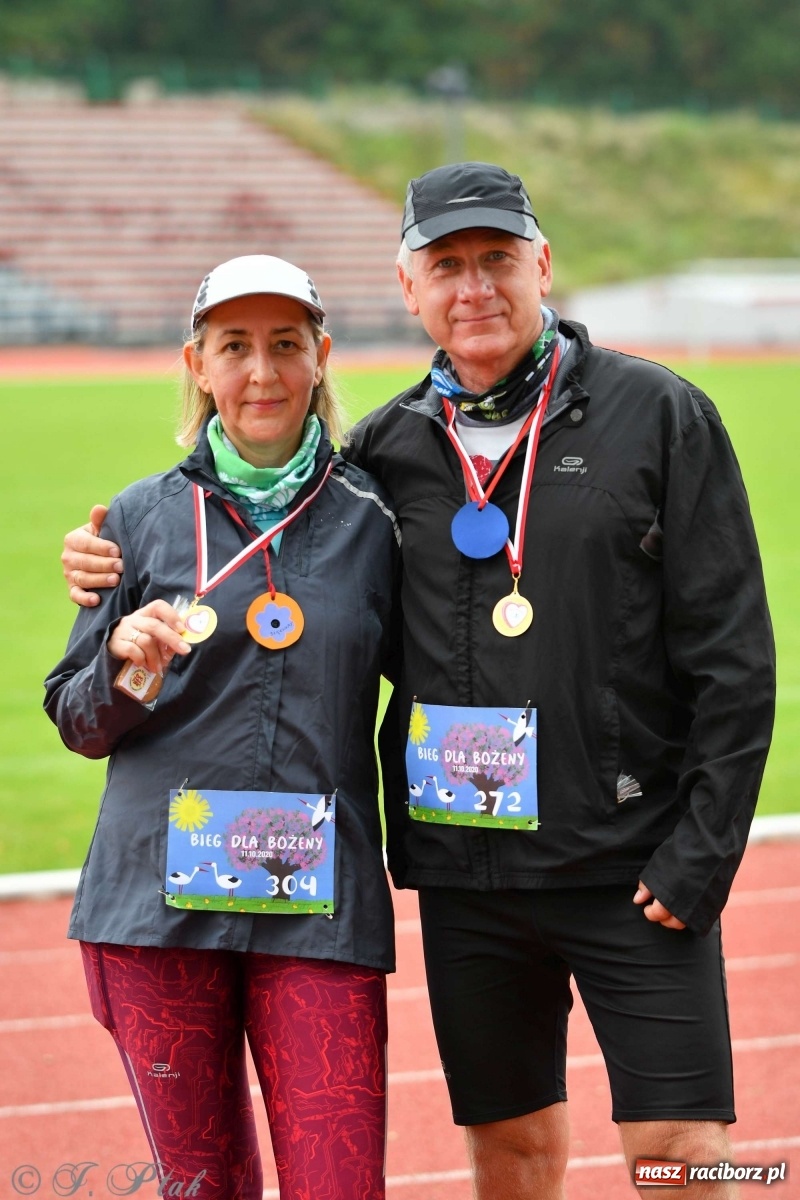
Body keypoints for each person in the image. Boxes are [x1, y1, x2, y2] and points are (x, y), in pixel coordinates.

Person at [61, 164, 776, 1199]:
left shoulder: (655, 414)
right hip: (469, 879)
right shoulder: (385, 454)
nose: (473, 287)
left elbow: (732, 654)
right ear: (408, 288)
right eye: (445, 266)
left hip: (630, 863)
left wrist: (701, 853)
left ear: (542, 265)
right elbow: (245, 551)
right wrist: (109, 584)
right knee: (510, 1153)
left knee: (685, 1156)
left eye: (496, 259)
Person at [46, 254, 400, 1200]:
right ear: (197, 365)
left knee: (341, 1187)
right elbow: (78, 720)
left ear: (321, 357)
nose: (261, 372)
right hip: (156, 911)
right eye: (234, 347)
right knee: (205, 1188)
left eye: (285, 345)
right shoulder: (138, 518)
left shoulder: (377, 521)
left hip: (318, 913)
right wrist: (124, 667)